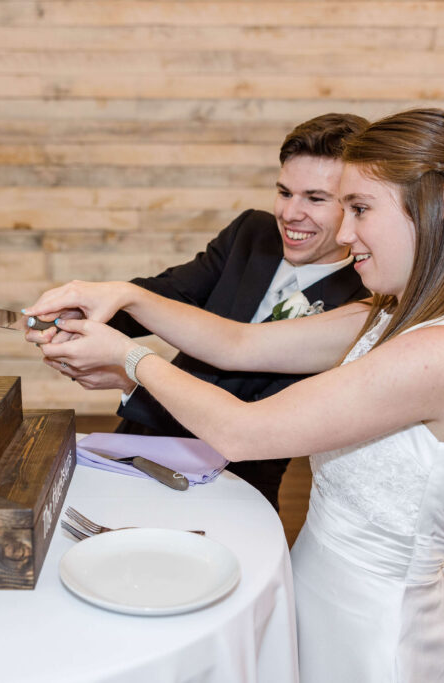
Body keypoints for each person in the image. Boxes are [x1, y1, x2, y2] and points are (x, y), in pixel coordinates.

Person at [26, 108, 444, 681]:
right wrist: (119, 294)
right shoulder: (392, 318)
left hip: (373, 625)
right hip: (315, 576)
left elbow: (245, 431)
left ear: (439, 207)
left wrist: (131, 359)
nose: (346, 232)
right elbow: (239, 344)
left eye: (359, 209)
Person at [37, 113, 371, 510]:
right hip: (138, 442)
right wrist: (87, 313)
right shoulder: (253, 233)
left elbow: (257, 424)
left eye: (315, 198)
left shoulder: (359, 304)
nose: (290, 213)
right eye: (284, 192)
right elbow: (172, 293)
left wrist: (129, 380)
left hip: (232, 484)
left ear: (353, 207)